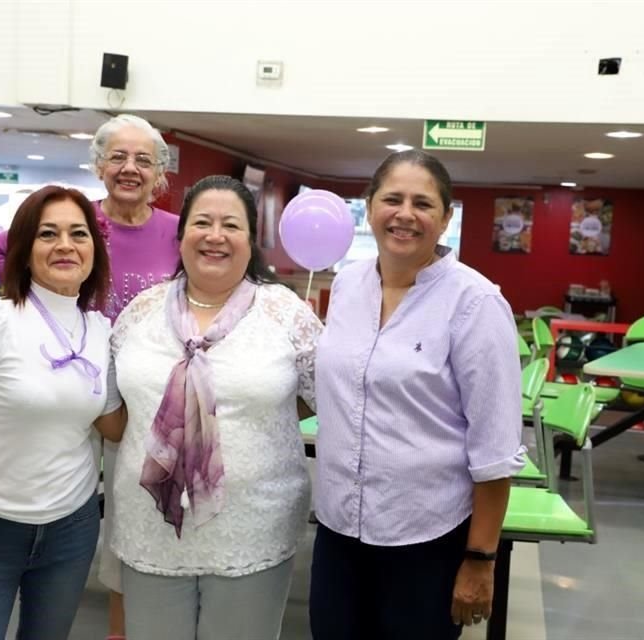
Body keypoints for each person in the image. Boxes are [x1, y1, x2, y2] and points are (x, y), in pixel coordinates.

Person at [0, 114, 180, 640]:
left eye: (143, 159)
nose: (129, 168)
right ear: (98, 164)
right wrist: (47, 303)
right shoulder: (76, 221)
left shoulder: (177, 230)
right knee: (56, 490)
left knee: (131, 514)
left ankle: (121, 618)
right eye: (118, 156)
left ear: (160, 171)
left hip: (136, 395)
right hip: (64, 373)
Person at [309, 150, 526, 639]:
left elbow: (494, 448)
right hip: (340, 530)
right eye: (392, 199)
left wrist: (480, 558)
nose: (405, 214)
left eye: (423, 204)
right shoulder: (347, 285)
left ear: (445, 219)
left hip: (427, 538)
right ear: (369, 208)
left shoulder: (475, 303)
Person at [106, 175, 323, 640]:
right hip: (151, 525)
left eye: (231, 225)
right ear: (181, 235)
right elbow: (114, 405)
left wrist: (250, 422)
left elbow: (321, 396)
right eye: (202, 222)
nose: (215, 235)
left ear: (251, 240)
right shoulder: (140, 313)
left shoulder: (286, 315)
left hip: (253, 526)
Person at [0, 186, 126, 640]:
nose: (65, 245)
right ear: (24, 249)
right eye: (47, 234)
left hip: (72, 530)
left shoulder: (100, 331)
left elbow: (115, 427)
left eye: (79, 233)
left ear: (94, 250)